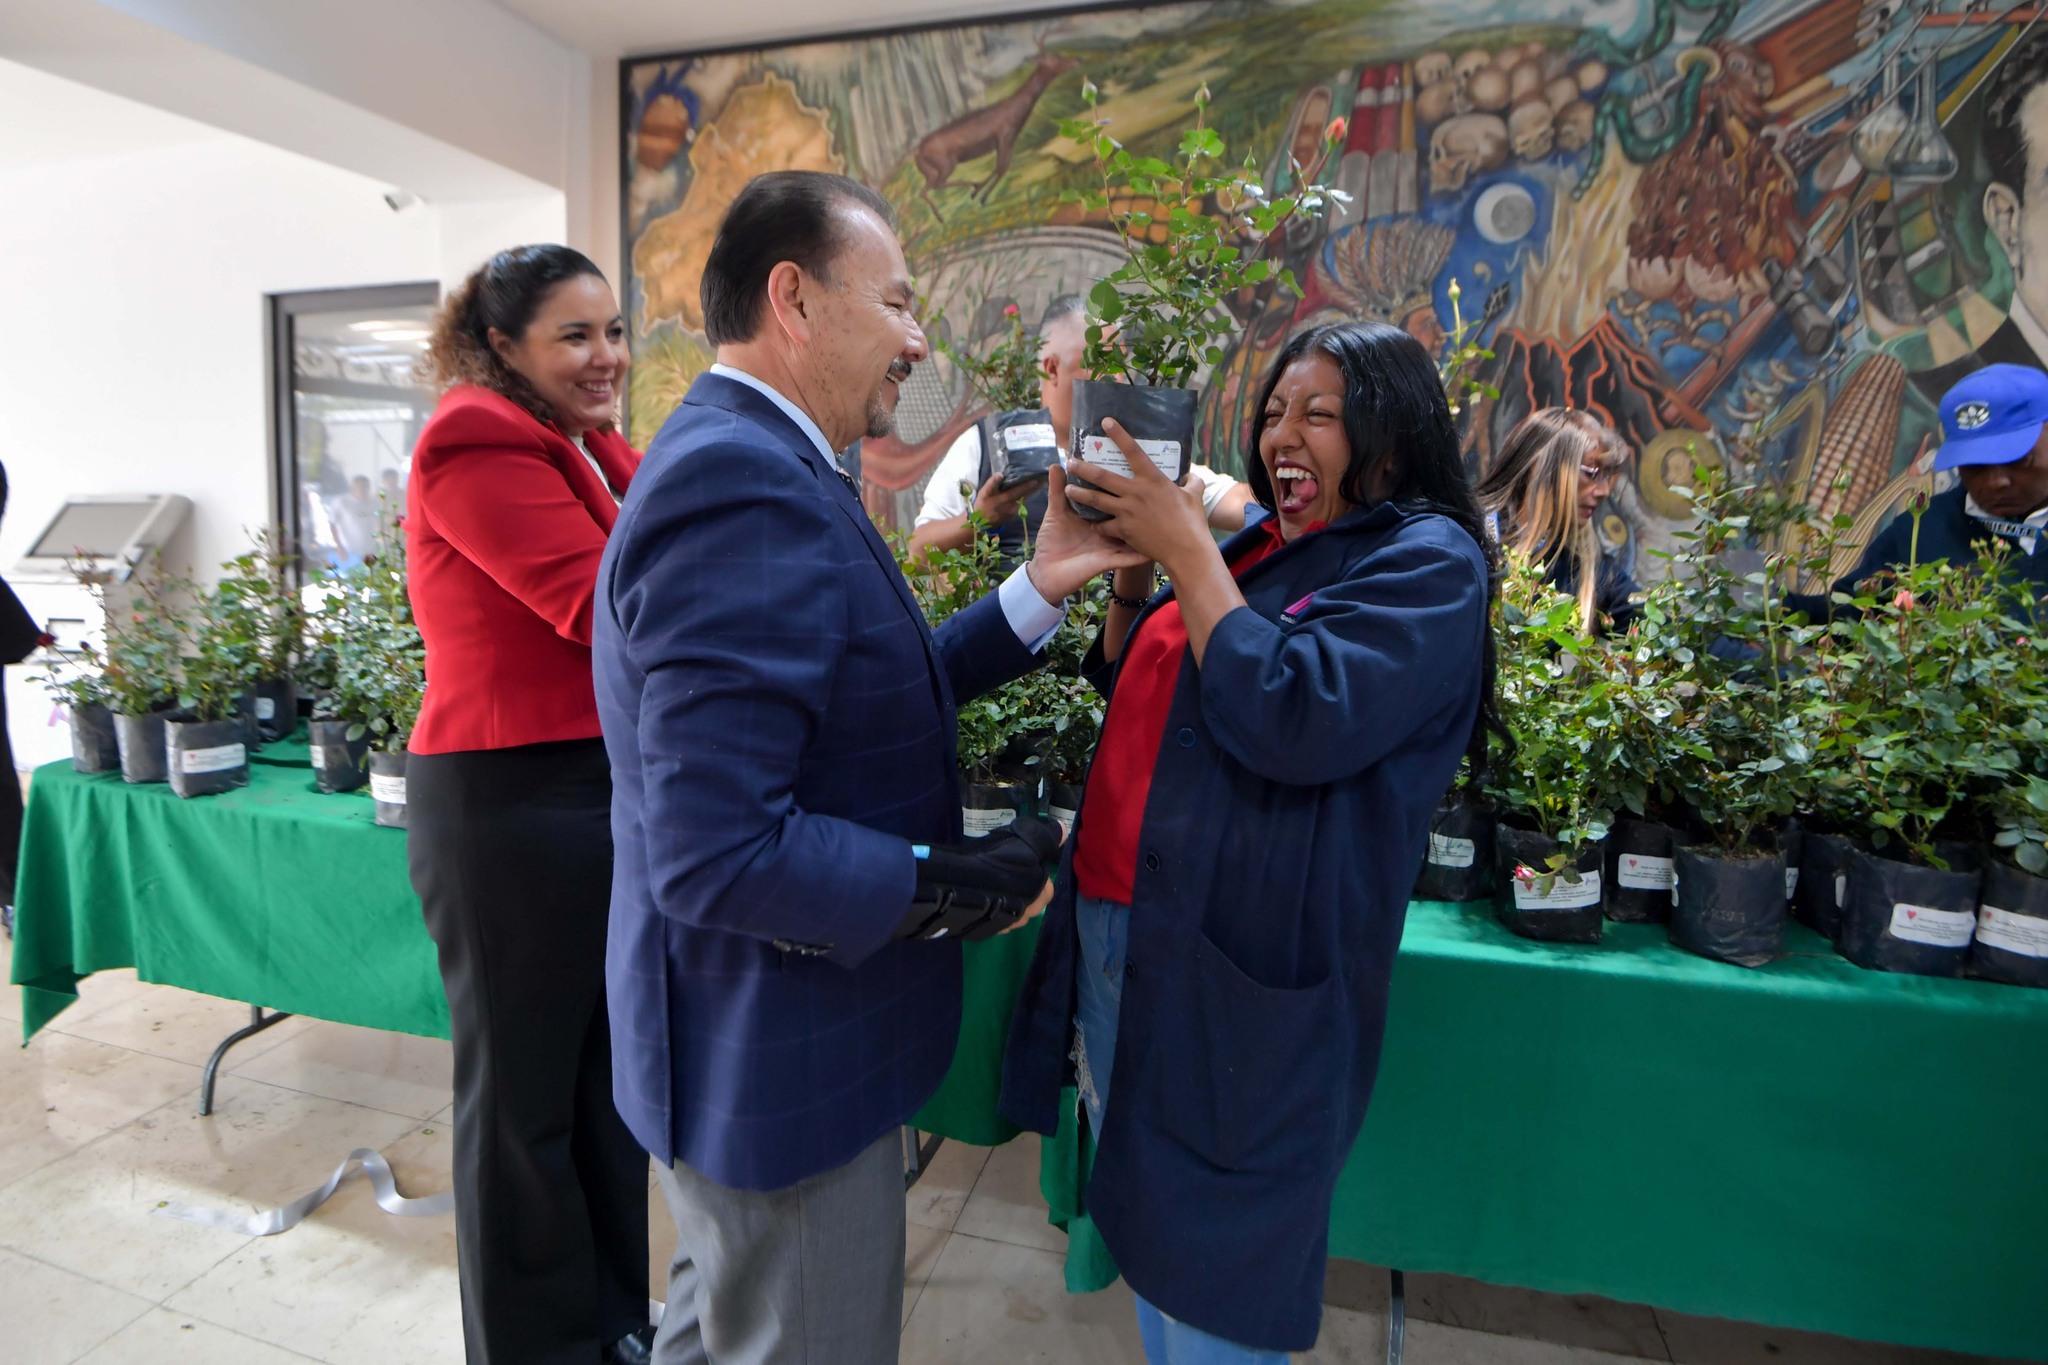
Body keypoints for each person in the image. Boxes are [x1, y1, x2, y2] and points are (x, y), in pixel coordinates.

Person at [594, 171, 1140, 1365]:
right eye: (895, 301)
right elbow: (718, 851)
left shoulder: (773, 465)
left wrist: (1038, 586)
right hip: (775, 1068)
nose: (915, 339)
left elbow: (868, 694)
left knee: (718, 1321)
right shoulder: (740, 485)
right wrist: (946, 885)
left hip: (755, 1049)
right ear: (793, 297)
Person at [1000, 321, 1500, 1360]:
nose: (1284, 433)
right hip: (1121, 935)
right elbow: (1149, 688)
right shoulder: (1266, 547)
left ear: (1391, 437)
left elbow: (1292, 710)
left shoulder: (1426, 562)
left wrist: (1185, 545)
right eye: (1273, 410)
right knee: (1151, 1222)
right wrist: (1135, 575)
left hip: (1231, 973)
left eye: (1319, 413)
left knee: (1217, 1266)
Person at [404, 245, 652, 1365]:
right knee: (521, 1115)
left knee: (605, 1095)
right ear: (501, 346)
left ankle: (610, 1329)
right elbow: (602, 606)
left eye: (611, 331)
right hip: (508, 802)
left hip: (594, 792)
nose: (605, 358)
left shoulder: (589, 446)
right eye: (574, 336)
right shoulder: (473, 439)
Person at [909, 295, 1254, 562]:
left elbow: (1235, 500)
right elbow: (919, 552)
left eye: (1121, 367)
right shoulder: (987, 442)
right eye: (1103, 364)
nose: (1117, 380)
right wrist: (981, 519)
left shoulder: (1135, 452)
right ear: (1052, 368)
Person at [1791, 364, 2048, 615]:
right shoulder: (1919, 534)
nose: (1995, 481)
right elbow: (1846, 616)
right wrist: (1769, 608)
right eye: (1974, 465)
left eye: (2016, 457)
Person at [1473, 407, 1639, 634]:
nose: (1603, 491)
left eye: (1606, 476)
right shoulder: (1469, 536)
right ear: (1543, 467)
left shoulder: (1585, 568)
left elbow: (1655, 626)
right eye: (1591, 474)